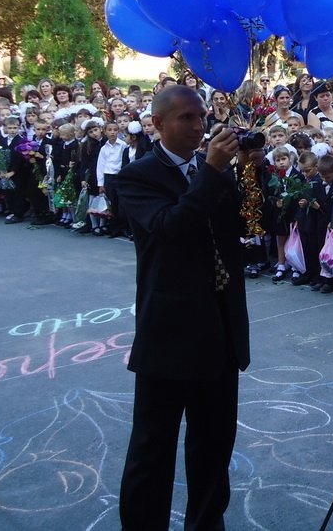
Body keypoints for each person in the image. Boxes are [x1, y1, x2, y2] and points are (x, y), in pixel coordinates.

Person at [117, 85, 249, 531]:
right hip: (169, 333)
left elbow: (241, 229)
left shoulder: (211, 169)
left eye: (201, 117)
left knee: (214, 446)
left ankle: (207, 524)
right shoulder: (139, 175)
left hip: (220, 327)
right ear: (158, 124)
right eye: (186, 118)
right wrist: (212, 171)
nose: (198, 126)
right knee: (152, 449)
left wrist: (247, 175)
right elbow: (170, 228)